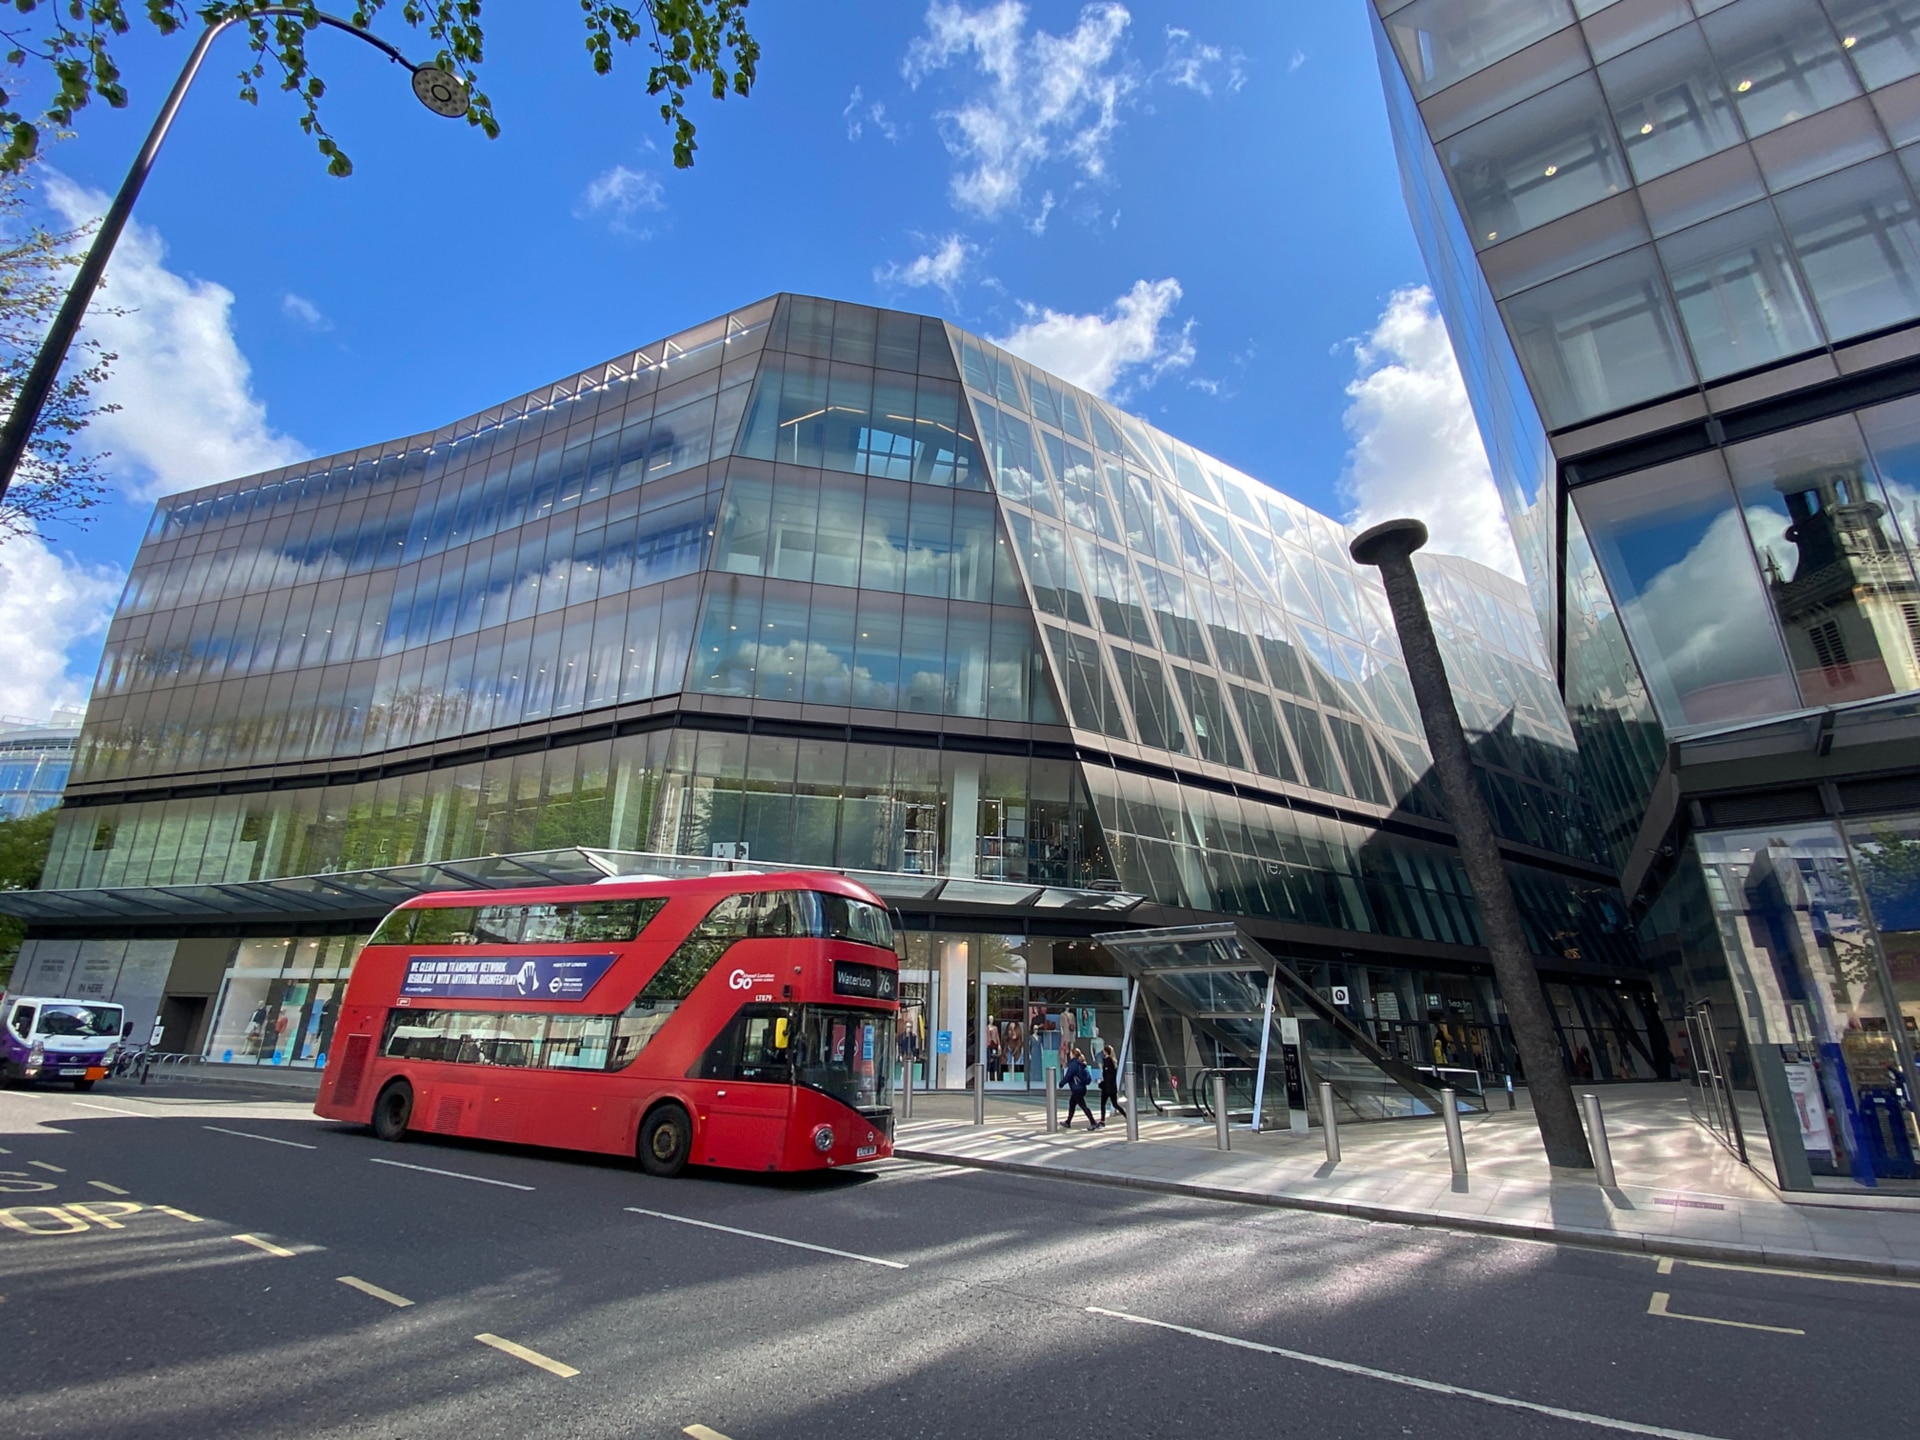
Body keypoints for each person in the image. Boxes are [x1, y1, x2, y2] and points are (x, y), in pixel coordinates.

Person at [1063, 1047, 1099, 1129]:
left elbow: (1069, 1075)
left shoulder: (1073, 1064)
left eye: (1071, 1054)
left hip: (1076, 1089)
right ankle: (1068, 1121)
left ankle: (1093, 1122)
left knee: (1083, 1106)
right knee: (1072, 1104)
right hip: (1081, 1088)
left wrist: (1062, 1083)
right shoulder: (1081, 1063)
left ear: (1073, 1055)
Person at [1098, 1043, 1126, 1124]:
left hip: (1107, 1087)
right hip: (1112, 1086)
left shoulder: (1107, 1061)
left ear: (1105, 1051)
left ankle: (1102, 1119)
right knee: (1115, 1104)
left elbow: (1107, 1075)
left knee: (1103, 1104)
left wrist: (1102, 1082)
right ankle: (1125, 1115)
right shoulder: (1113, 1061)